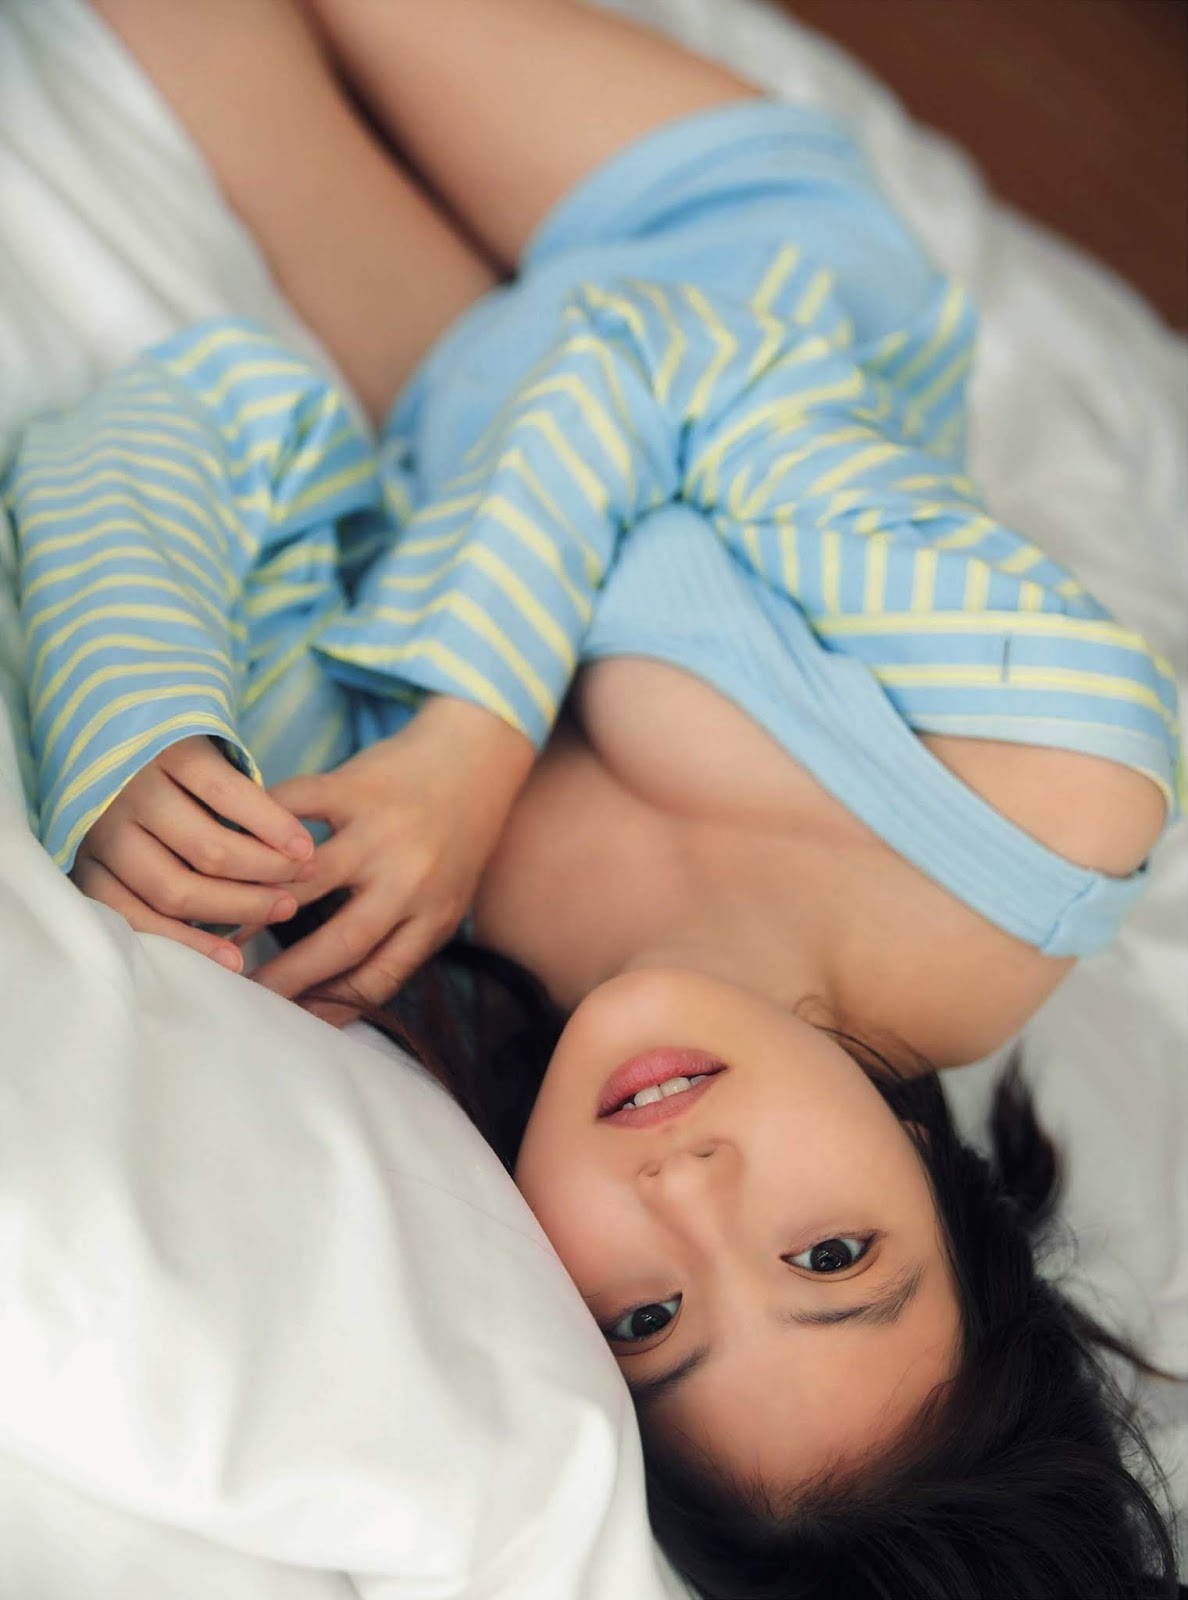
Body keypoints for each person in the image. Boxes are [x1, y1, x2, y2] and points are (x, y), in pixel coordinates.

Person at [4, 2, 1182, 1594]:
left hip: (433, 396)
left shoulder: (401, 958)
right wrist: (475, 743)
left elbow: (179, 421)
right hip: (718, 255)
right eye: (832, 1256)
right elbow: (665, 350)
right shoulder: (1058, 793)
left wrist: (146, 736)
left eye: (647, 1318)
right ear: (962, 1220)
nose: (689, 1194)